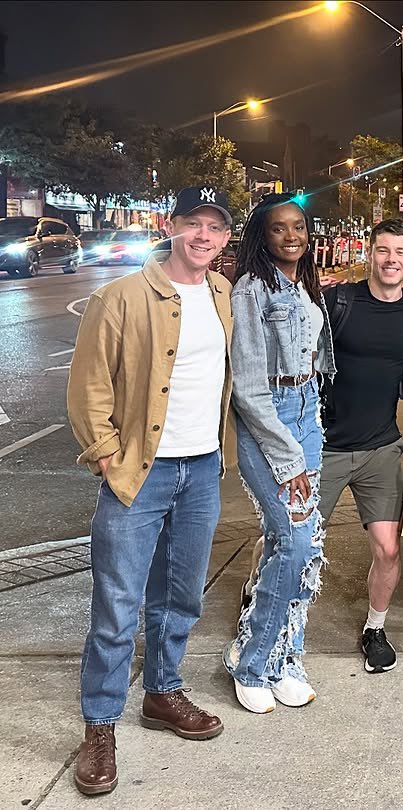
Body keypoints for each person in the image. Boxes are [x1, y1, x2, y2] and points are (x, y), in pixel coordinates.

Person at [67, 186, 234, 795]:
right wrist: (108, 459)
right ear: (171, 225)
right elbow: (88, 387)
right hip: (141, 471)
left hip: (202, 470)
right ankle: (100, 724)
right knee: (117, 604)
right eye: (194, 223)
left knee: (182, 594)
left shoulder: (221, 293)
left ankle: (162, 692)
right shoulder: (121, 297)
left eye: (214, 228)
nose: (203, 237)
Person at [223, 194, 335, 713]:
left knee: (302, 545)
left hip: (306, 410)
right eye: (278, 229)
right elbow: (247, 387)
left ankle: (288, 656)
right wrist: (288, 458)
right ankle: (252, 659)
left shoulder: (302, 284)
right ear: (261, 237)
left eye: (298, 227)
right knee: (291, 542)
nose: (291, 236)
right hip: (268, 419)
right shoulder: (252, 289)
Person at [318, 219, 403, 674]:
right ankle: (259, 600)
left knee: (389, 549)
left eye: (400, 251)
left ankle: (375, 628)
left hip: (380, 448)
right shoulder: (339, 300)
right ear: (370, 253)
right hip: (324, 448)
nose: (391, 259)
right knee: (288, 542)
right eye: (383, 250)